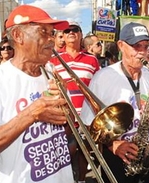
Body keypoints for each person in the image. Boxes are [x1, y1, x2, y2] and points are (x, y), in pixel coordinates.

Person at [0, 5, 75, 183]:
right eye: (44, 32)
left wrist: (66, 110)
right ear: (18, 36)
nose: (52, 39)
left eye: (52, 32)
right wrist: (31, 113)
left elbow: (67, 133)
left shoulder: (51, 72)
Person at [80, 22, 149, 183]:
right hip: (116, 159)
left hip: (148, 155)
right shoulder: (103, 77)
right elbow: (86, 123)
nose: (142, 52)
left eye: (146, 46)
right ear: (121, 45)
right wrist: (114, 145)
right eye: (136, 46)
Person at [50, 21, 100, 183]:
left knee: (84, 153)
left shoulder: (92, 60)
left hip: (86, 117)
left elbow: (98, 88)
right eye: (67, 30)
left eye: (75, 30)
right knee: (63, 155)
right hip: (63, 119)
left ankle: (81, 180)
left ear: (80, 34)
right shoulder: (53, 60)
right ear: (63, 36)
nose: (71, 32)